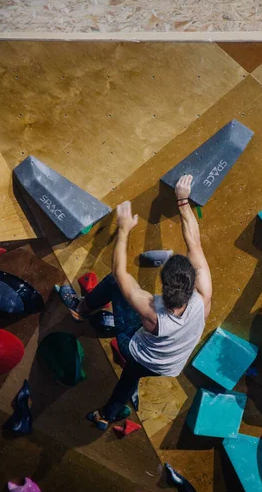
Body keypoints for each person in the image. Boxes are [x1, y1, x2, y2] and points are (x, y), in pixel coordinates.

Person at [58, 174, 212, 431]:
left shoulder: (151, 311)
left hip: (138, 349)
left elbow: (120, 272)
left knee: (116, 284)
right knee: (132, 374)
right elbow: (193, 242)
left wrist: (124, 229)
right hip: (170, 364)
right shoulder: (203, 297)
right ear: (191, 283)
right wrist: (183, 201)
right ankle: (107, 415)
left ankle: (81, 308)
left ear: (163, 284)